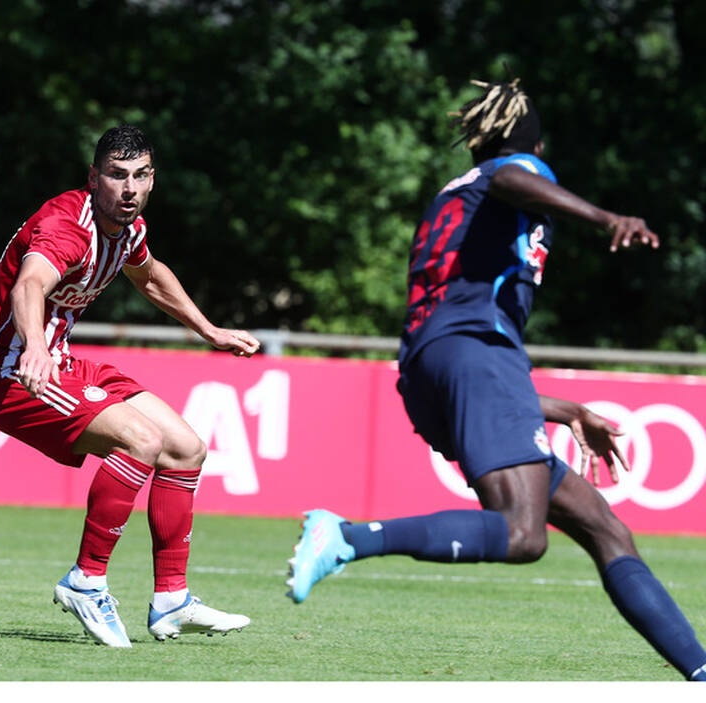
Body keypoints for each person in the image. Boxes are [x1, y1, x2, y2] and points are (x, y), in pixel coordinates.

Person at [285, 78, 706, 681]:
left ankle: (700, 671)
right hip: (477, 352)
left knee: (605, 526)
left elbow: (464, 360)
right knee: (521, 534)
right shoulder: (511, 172)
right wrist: (605, 215)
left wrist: (565, 411)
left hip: (438, 366)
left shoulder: (451, 196)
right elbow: (510, 179)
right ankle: (349, 536)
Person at [0, 124, 260, 647]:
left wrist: (210, 330)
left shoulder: (128, 230)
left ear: (152, 178)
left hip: (62, 361)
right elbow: (30, 283)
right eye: (116, 175)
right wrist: (35, 347)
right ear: (93, 177)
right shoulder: (68, 224)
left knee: (185, 448)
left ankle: (172, 600)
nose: (129, 188)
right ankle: (86, 580)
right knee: (142, 441)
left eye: (141, 175)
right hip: (17, 373)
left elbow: (150, 277)